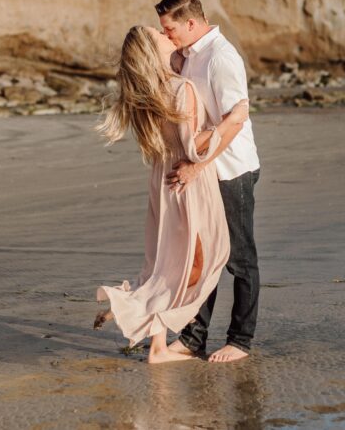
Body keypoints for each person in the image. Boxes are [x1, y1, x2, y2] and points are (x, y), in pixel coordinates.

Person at [94, 25, 250, 364]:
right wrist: (229, 121)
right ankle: (140, 311)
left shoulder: (144, 95)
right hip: (188, 184)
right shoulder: (181, 89)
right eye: (160, 35)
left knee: (167, 262)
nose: (168, 36)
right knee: (207, 259)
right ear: (154, 50)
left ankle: (155, 339)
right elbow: (194, 150)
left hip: (161, 181)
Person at [156, 0, 261, 363]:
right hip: (202, 172)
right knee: (201, 257)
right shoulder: (187, 57)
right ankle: (193, 338)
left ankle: (240, 341)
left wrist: (198, 165)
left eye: (170, 29)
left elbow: (236, 118)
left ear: (190, 22)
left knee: (238, 258)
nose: (168, 36)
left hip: (232, 169)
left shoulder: (221, 58)